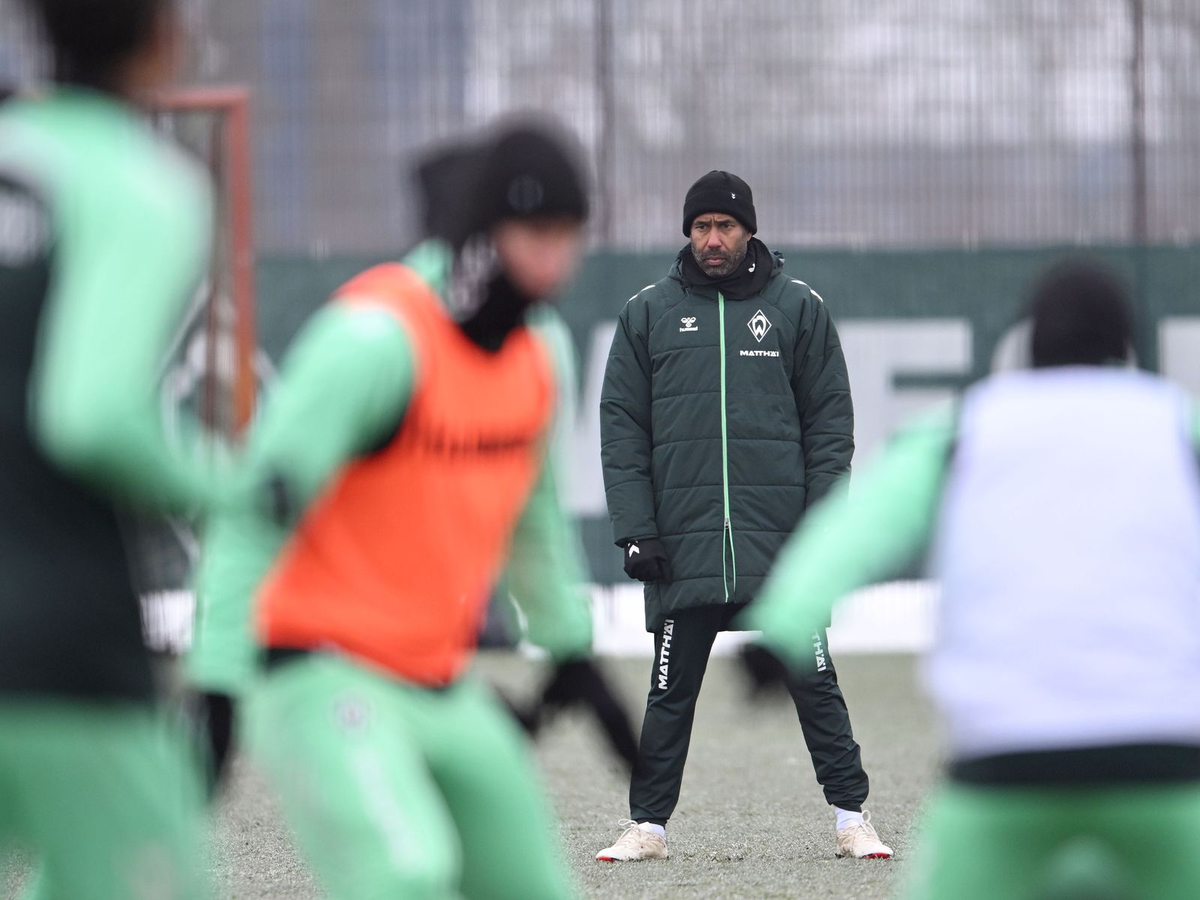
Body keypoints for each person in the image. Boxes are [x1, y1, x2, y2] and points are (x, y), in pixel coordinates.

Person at [187, 119, 623, 900]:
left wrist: (571, 652)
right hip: (318, 673)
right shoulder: (377, 339)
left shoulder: (538, 352)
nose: (556, 259)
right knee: (404, 876)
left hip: (437, 681)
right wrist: (216, 683)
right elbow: (256, 510)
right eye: (537, 234)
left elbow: (534, 517)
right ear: (485, 232)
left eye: (569, 236)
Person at [742, 259, 1200, 900]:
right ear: (1128, 347)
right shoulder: (1178, 424)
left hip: (1004, 756)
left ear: (1029, 343)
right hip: (1167, 757)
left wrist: (782, 631)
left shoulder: (967, 426)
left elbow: (857, 529)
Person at [596, 170, 891, 861]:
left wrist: (821, 532)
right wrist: (637, 529)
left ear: (749, 230)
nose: (712, 239)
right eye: (701, 227)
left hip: (781, 549)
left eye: (724, 226)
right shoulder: (647, 313)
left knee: (815, 684)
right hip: (686, 547)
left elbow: (830, 427)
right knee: (669, 692)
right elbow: (621, 430)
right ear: (688, 233)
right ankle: (648, 826)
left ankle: (852, 818)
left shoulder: (798, 308)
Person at [0, 0, 214, 897]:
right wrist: (229, 486)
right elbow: (90, 415)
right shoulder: (143, 183)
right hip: (59, 643)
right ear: (161, 36)